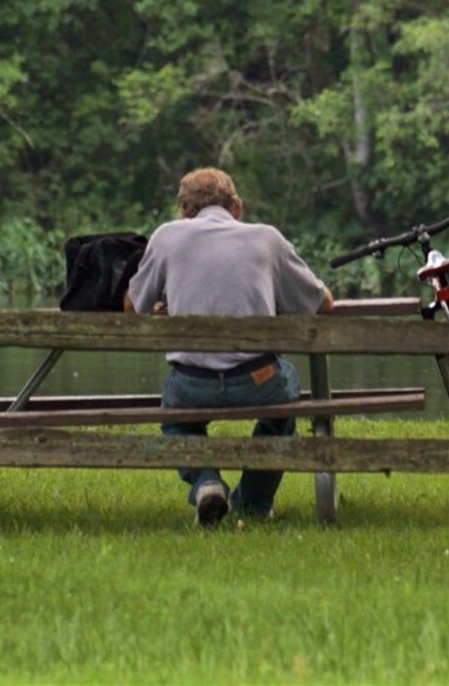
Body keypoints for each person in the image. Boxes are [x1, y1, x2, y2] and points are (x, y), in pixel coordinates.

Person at [125, 166, 332, 526]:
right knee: (282, 409)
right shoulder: (266, 239)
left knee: (176, 424)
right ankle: (252, 504)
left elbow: (133, 308)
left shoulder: (166, 237)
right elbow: (322, 304)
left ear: (185, 211)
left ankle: (206, 483)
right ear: (236, 206)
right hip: (259, 380)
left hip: (191, 384)